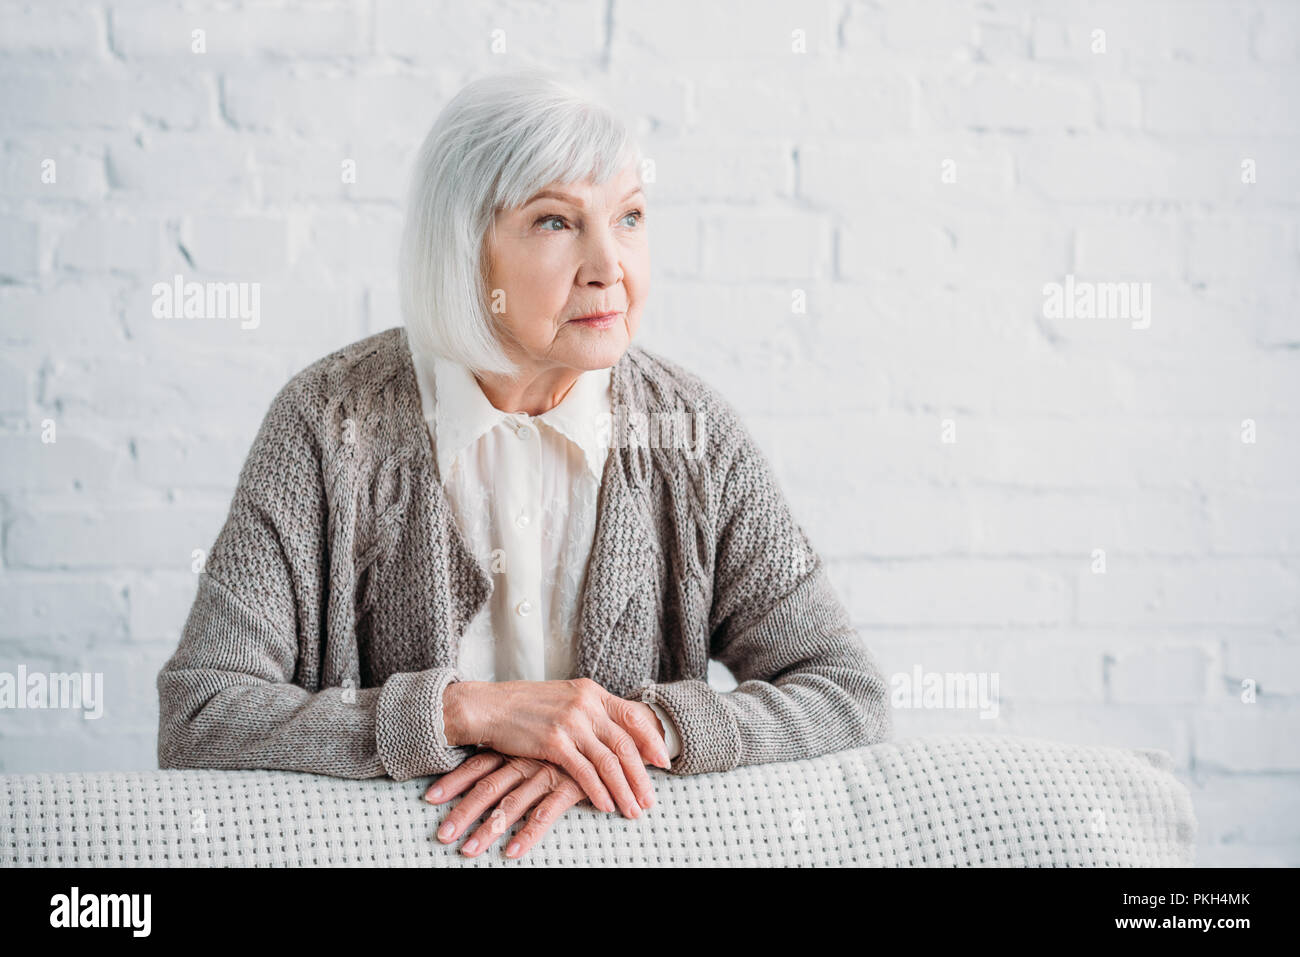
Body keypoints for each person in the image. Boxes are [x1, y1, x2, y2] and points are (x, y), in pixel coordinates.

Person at [156, 68, 891, 860]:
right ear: (466, 248)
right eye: (555, 222)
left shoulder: (694, 435)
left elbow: (848, 691)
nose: (610, 266)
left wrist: (639, 733)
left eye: (630, 217)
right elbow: (201, 712)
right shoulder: (328, 425)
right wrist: (460, 711)